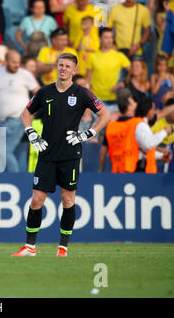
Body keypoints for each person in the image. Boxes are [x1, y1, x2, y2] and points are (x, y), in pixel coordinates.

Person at [12, 53, 110, 258]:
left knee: (68, 199)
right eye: (61, 65)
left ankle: (63, 248)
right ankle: (30, 247)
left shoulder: (82, 93)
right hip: (46, 153)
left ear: (74, 70)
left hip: (70, 154)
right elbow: (26, 114)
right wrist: (31, 133)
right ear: (57, 67)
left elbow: (105, 114)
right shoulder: (44, 92)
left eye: (68, 66)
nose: (63, 68)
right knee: (37, 199)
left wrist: (88, 133)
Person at [0, 50, 40, 172]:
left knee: (4, 150)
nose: (16, 65)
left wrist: (32, 113)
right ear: (6, 61)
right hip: (2, 120)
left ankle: (15, 179)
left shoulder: (25, 74)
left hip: (19, 118)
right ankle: (15, 178)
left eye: (18, 62)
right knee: (6, 151)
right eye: (13, 62)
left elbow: (39, 94)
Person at [99, 89, 174, 172]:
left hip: (117, 171)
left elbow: (103, 150)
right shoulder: (137, 124)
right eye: (133, 102)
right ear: (129, 107)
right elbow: (148, 144)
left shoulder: (111, 125)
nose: (136, 104)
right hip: (132, 172)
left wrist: (101, 170)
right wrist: (166, 131)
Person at [85, 27, 131, 114]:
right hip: (97, 99)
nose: (110, 40)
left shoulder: (119, 56)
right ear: (100, 39)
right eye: (106, 37)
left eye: (111, 37)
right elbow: (88, 79)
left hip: (115, 99)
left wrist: (123, 83)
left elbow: (133, 71)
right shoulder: (92, 56)